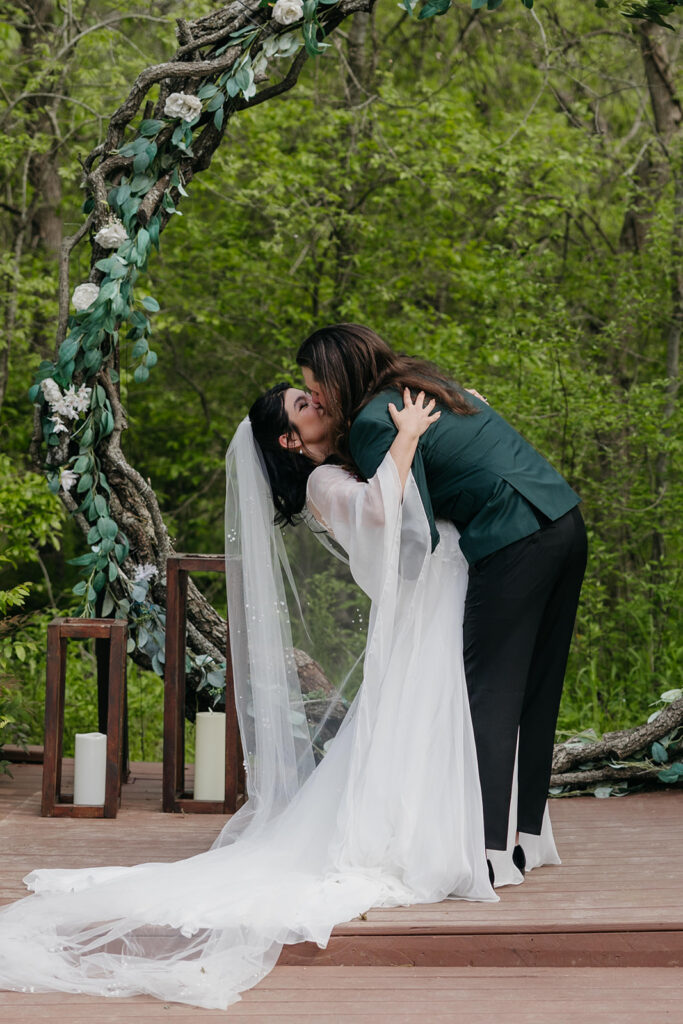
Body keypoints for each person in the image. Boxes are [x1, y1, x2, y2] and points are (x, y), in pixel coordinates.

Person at [0, 381, 506, 1012]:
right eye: (301, 405)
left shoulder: (344, 456)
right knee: (412, 720)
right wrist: (406, 436)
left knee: (420, 723)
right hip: (421, 603)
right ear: (289, 441)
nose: (316, 401)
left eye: (310, 395)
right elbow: (382, 515)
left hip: (431, 596)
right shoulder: (322, 483)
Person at [296, 323, 588, 873]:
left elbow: (417, 531)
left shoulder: (370, 423)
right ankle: (529, 838)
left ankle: (490, 854)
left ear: (337, 381)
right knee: (537, 692)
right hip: (564, 518)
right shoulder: (418, 385)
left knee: (491, 696)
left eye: (314, 386)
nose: (314, 397)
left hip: (513, 538)